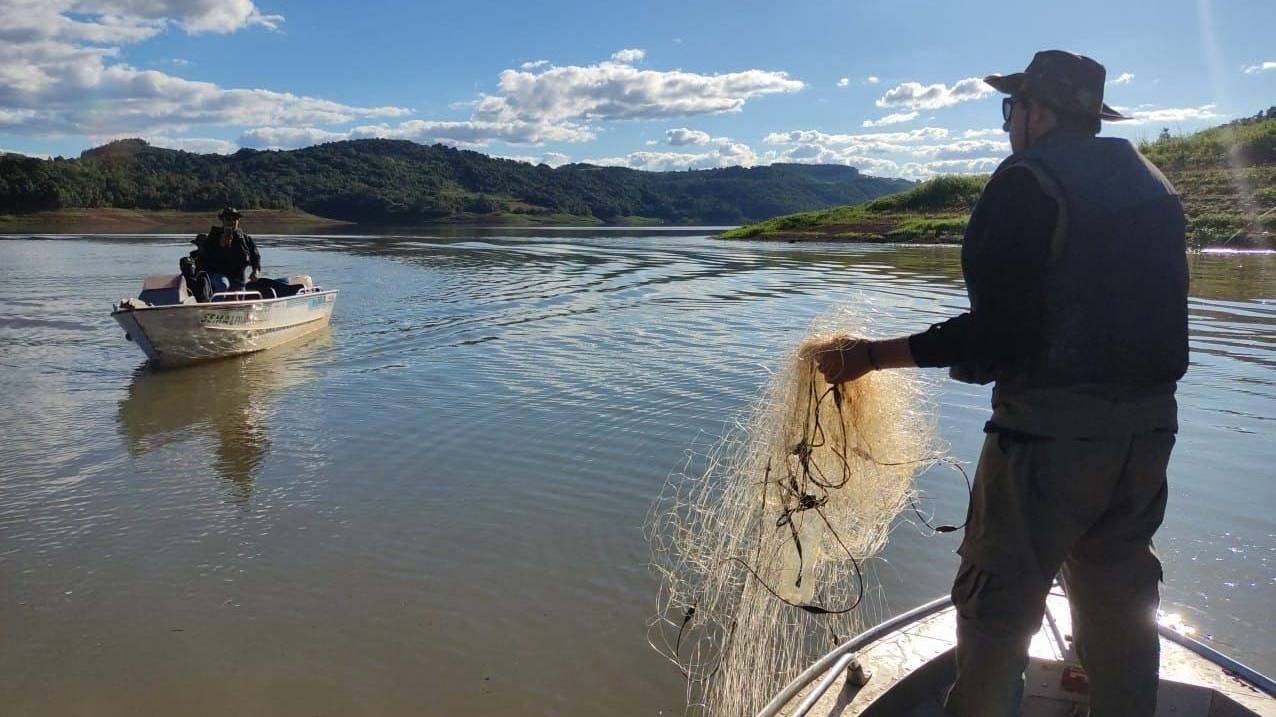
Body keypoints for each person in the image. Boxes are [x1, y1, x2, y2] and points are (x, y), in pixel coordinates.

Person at [813, 50, 1188, 717]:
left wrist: (869, 357)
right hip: (1148, 439)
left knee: (995, 621)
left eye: (1012, 108)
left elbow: (995, 340)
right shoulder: (1150, 183)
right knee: (1122, 619)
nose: (1009, 121)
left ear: (1039, 112)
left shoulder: (1028, 183)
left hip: (1048, 445)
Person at [199, 207, 261, 295]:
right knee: (223, 284)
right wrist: (220, 245)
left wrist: (255, 271)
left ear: (238, 220)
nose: (231, 222)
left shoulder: (246, 239)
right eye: (228, 219)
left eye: (235, 219)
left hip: (238, 278)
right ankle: (215, 308)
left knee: (239, 299)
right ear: (222, 220)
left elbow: (255, 257)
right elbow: (205, 256)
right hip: (217, 275)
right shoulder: (213, 237)